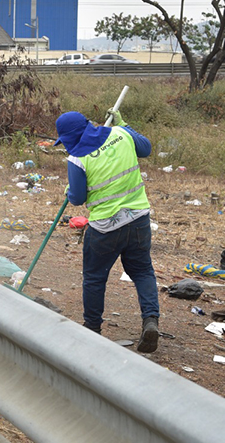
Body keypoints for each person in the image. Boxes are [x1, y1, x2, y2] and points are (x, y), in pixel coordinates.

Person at [54, 108, 160, 353]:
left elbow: (78, 198)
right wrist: (126, 125)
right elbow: (146, 148)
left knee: (94, 278)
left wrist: (68, 192)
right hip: (138, 219)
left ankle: (92, 330)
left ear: (71, 137)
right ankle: (150, 321)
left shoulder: (78, 158)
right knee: (143, 271)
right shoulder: (121, 134)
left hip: (105, 228)